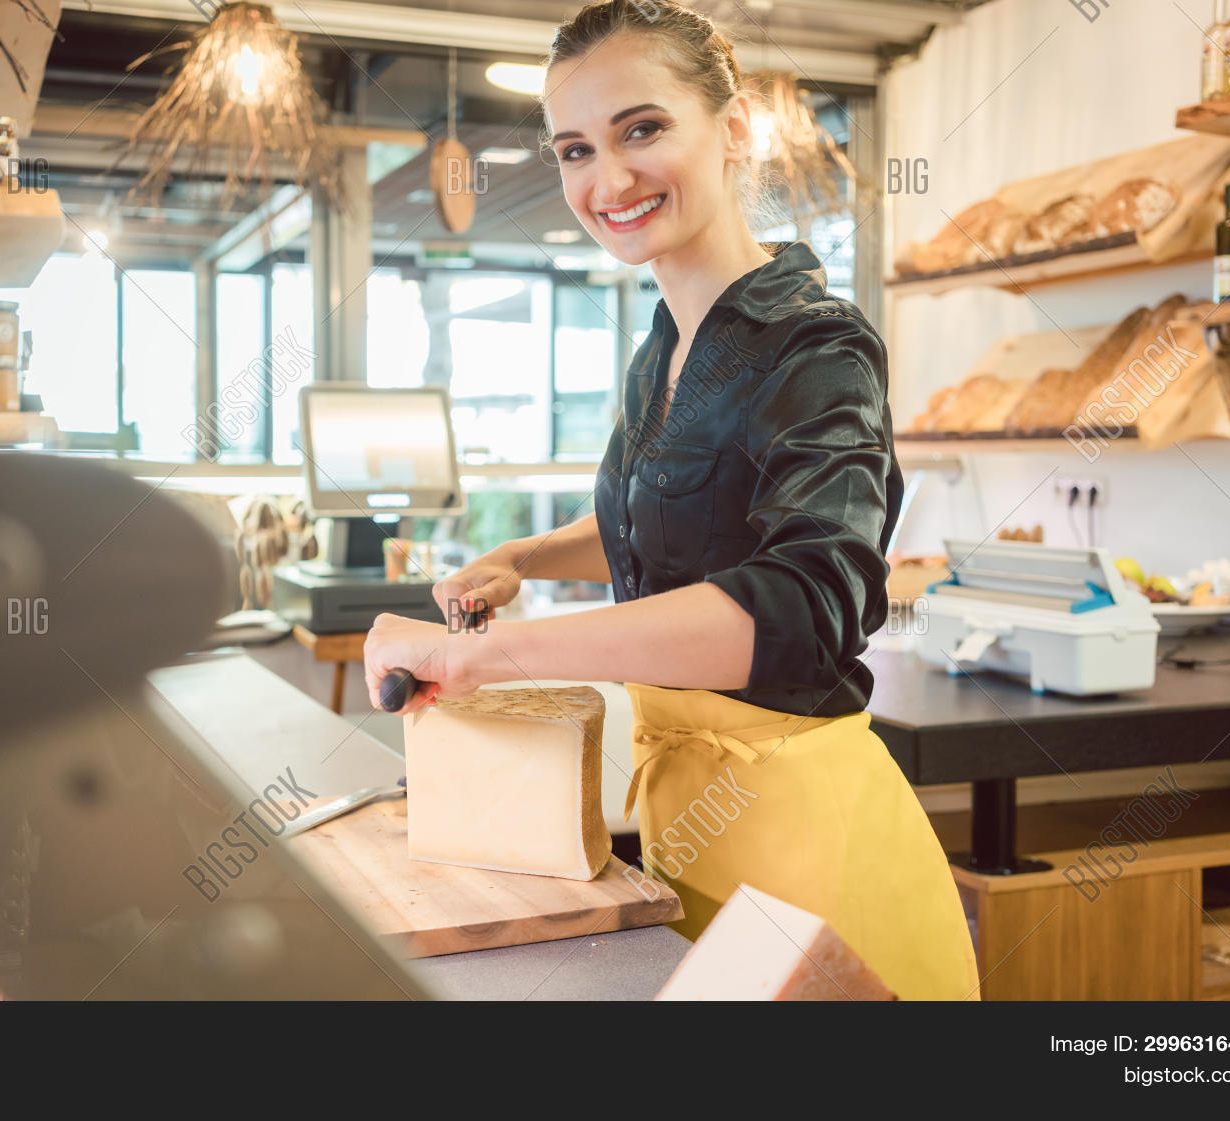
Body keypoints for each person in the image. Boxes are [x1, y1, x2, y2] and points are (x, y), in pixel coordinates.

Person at [363, 0, 979, 1000]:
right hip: (690, 826)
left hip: (813, 860)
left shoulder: (819, 348)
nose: (607, 180)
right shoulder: (663, 351)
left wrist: (490, 656)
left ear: (734, 129)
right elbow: (665, 526)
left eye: (641, 129)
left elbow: (795, 607)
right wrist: (522, 560)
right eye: (575, 149)